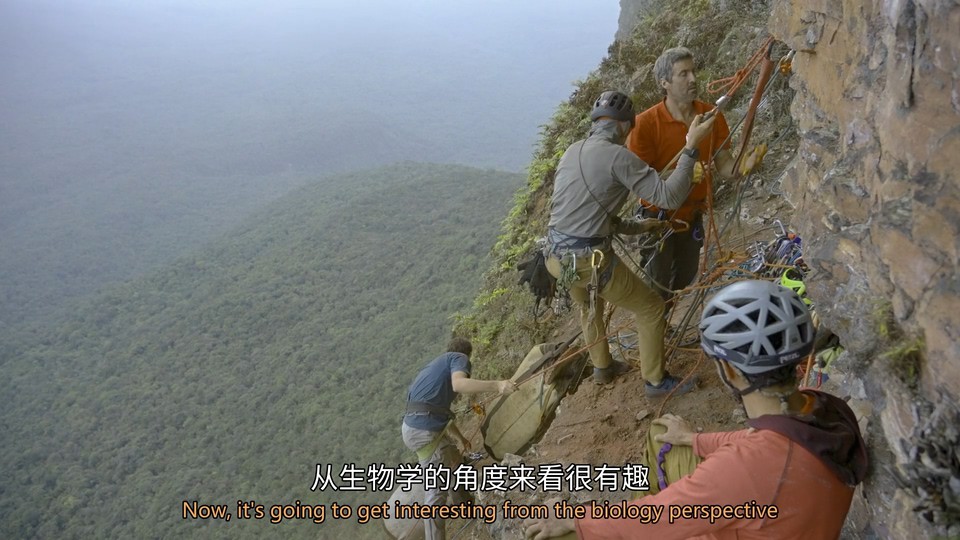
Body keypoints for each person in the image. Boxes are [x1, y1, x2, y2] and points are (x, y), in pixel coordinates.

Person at [523, 280, 868, 540]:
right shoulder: (823, 407)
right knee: (665, 435)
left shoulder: (746, 469)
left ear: (729, 370)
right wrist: (698, 440)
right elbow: (763, 444)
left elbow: (661, 518)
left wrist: (577, 520)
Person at [544, 89, 716, 395]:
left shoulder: (572, 151)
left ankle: (602, 368)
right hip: (589, 260)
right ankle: (655, 381)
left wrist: (638, 228)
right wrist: (690, 148)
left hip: (556, 258)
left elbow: (586, 212)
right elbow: (669, 196)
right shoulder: (619, 157)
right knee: (650, 307)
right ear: (625, 125)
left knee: (588, 306)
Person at [626, 47, 763, 309]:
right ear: (664, 83)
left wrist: (745, 166)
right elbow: (639, 181)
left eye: (693, 71)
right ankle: (655, 341)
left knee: (683, 279)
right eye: (683, 74)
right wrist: (685, 172)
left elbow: (725, 166)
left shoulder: (711, 116)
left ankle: (663, 330)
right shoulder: (645, 124)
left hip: (691, 217)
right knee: (657, 285)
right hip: (658, 220)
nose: (693, 79)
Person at [401, 337, 517, 540]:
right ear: (466, 354)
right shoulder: (458, 358)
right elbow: (459, 384)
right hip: (424, 431)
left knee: (454, 459)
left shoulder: (435, 366)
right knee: (436, 492)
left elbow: (438, 412)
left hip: (415, 427)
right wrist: (498, 385)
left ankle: (466, 506)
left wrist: (461, 438)